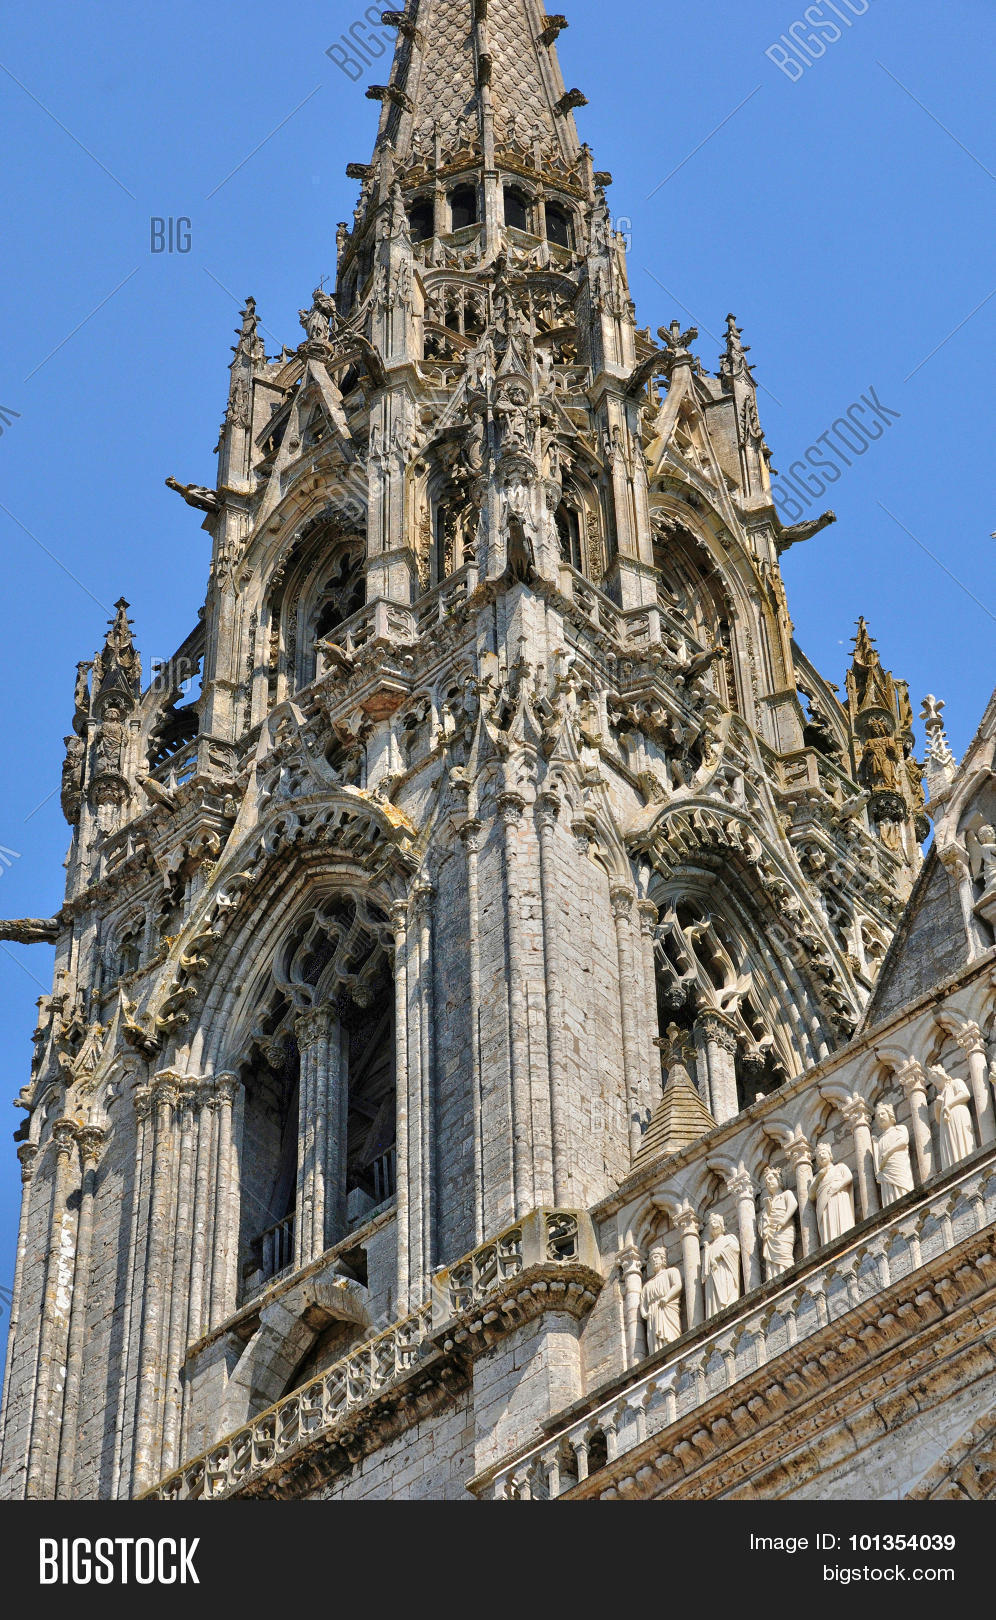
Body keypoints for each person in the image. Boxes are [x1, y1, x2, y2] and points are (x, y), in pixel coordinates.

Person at [930, 1065, 976, 1170]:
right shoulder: (941, 1095)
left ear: (941, 1075)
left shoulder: (955, 1082)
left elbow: (965, 1094)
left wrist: (949, 1105)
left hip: (957, 1115)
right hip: (946, 1124)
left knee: (961, 1138)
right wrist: (937, 1107)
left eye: (935, 1077)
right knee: (950, 1146)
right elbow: (938, 1120)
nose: (934, 1081)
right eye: (932, 1080)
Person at [810, 1142, 855, 1244]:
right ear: (817, 1161)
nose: (821, 1156)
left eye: (824, 1153)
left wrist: (838, 1186)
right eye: (819, 1155)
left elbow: (849, 1177)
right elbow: (811, 1195)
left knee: (841, 1221)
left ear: (830, 1155)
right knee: (828, 1226)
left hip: (839, 1198)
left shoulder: (839, 1167)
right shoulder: (816, 1177)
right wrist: (819, 1178)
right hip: (824, 1204)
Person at [640, 1247, 683, 1354]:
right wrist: (644, 1313)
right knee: (655, 1344)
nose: (653, 1260)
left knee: (670, 1335)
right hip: (653, 1314)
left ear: (662, 1258)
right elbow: (642, 1304)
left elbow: (677, 1285)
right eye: (651, 1259)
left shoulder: (671, 1272)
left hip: (666, 1308)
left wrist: (667, 1297)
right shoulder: (647, 1285)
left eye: (656, 1257)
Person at [758, 1166, 797, 1280]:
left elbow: (793, 1205)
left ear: (778, 1180)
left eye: (771, 1178)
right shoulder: (767, 1204)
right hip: (771, 1235)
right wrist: (768, 1211)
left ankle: (788, 1276)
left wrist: (784, 1220)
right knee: (772, 1261)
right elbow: (762, 1224)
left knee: (785, 1255)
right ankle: (775, 1278)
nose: (768, 1182)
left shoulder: (786, 1194)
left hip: (784, 1230)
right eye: (766, 1181)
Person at [872, 1102, 914, 1205]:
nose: (880, 1117)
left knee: (902, 1188)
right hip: (886, 1170)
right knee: (889, 1193)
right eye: (878, 1116)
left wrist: (888, 1152)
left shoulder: (899, 1129)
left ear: (890, 1114)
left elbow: (904, 1141)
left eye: (883, 1114)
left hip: (898, 1164)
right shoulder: (879, 1139)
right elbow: (878, 1162)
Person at [702, 1213, 741, 1315]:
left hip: (724, 1272)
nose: (713, 1225)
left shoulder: (729, 1238)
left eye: (715, 1222)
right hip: (712, 1278)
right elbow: (705, 1274)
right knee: (715, 1305)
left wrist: (719, 1256)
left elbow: (735, 1248)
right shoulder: (709, 1247)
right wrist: (707, 1252)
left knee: (727, 1296)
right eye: (711, 1224)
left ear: (721, 1225)